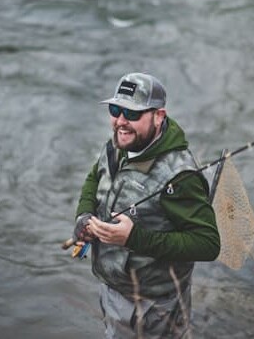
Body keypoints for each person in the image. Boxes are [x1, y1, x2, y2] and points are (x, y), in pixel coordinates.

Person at [72, 72, 220, 338]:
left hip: (154, 307)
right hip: (113, 286)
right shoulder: (119, 143)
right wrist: (83, 216)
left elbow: (208, 244)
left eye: (132, 113)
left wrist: (134, 238)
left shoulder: (181, 177)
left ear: (159, 116)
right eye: (115, 110)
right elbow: (94, 177)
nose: (120, 121)